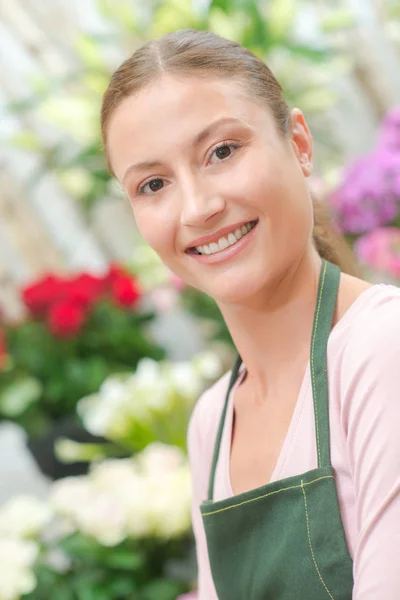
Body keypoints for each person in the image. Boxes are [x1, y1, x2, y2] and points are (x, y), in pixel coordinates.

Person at [100, 29, 400, 599]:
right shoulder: (213, 423)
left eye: (222, 152)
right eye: (153, 184)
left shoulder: (381, 348)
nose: (198, 207)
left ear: (300, 143)